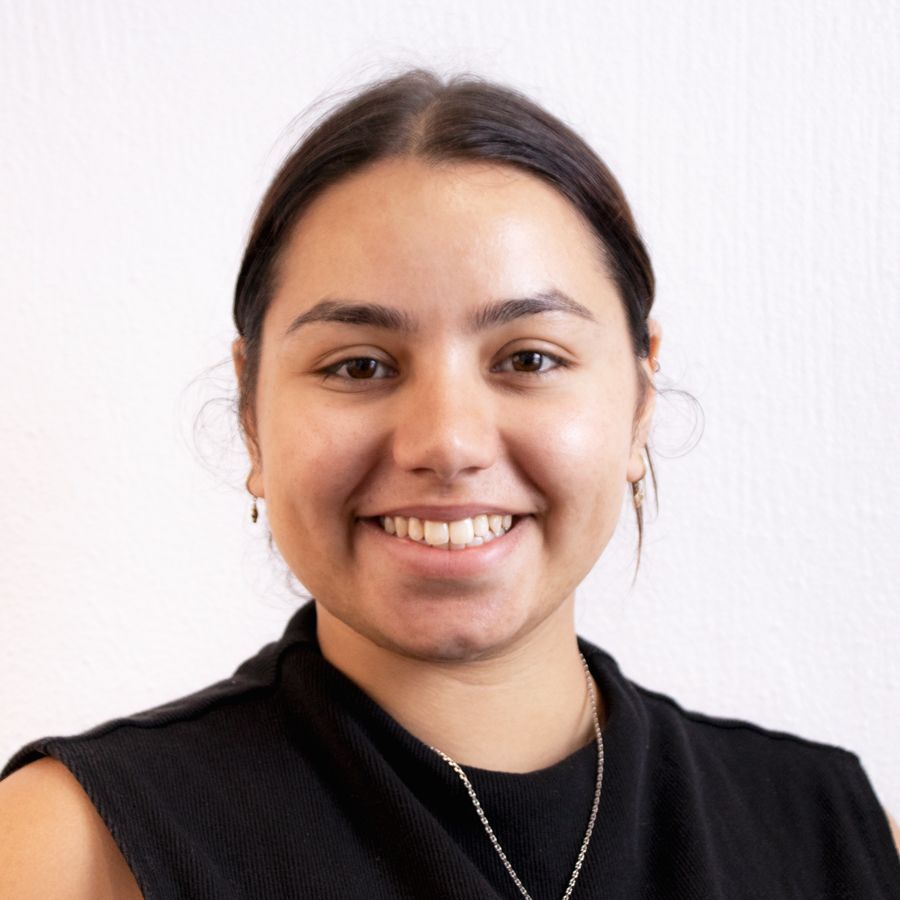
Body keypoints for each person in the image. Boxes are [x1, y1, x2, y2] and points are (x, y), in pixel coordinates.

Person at [0, 67, 897, 899]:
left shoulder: (839, 843)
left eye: (530, 357)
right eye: (357, 367)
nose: (448, 443)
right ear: (250, 415)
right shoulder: (69, 851)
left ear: (640, 397)